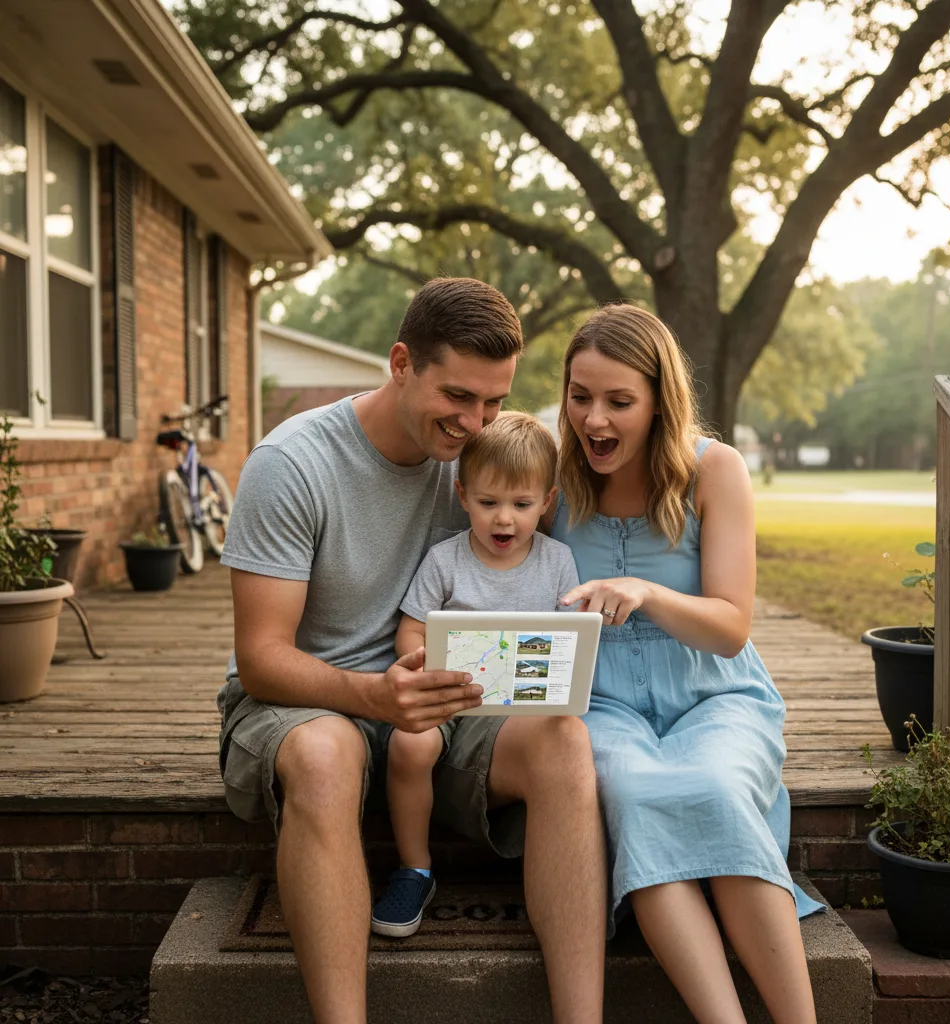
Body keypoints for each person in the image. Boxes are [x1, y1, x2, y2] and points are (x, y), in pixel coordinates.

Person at [216, 279, 606, 1024]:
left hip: (441, 701)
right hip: (306, 701)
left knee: (564, 740)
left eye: (493, 402)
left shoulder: (475, 462)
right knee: (328, 759)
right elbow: (262, 657)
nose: (475, 424)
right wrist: (370, 697)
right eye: (459, 396)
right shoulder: (293, 464)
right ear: (401, 362)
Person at [549, 304, 823, 1024]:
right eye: (580, 397)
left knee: (712, 787)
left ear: (659, 400)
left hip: (715, 694)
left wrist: (645, 590)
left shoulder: (715, 469)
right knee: (638, 793)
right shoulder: (553, 472)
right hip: (600, 700)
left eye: (619, 402)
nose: (594, 421)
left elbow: (731, 628)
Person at [371, 411, 581, 937]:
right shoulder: (445, 561)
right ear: (463, 496)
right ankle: (414, 868)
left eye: (521, 504)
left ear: (547, 501)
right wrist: (422, 664)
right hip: (447, 696)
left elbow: (565, 643)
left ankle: (553, 884)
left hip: (514, 712)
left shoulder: (557, 562)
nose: (503, 520)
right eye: (488, 503)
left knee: (566, 744)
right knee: (408, 745)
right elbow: (411, 632)